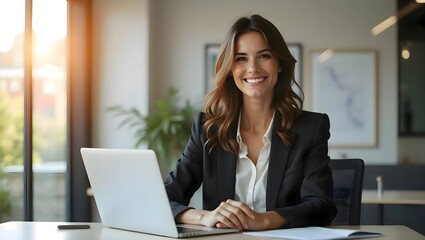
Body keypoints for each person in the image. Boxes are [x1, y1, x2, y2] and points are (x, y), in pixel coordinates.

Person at [164, 14, 336, 231]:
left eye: (264, 56)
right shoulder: (208, 129)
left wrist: (263, 219)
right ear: (230, 68)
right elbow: (164, 200)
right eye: (241, 58)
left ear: (279, 64)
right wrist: (204, 217)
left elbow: (322, 206)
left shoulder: (310, 128)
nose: (253, 68)